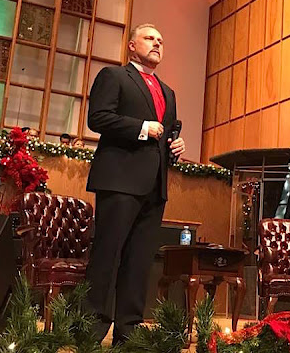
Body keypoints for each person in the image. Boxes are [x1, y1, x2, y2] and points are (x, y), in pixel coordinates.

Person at [85, 24, 185, 345]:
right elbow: (98, 118)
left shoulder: (168, 92)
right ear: (131, 45)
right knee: (108, 256)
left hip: (155, 186)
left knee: (139, 262)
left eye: (161, 40)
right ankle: (89, 331)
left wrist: (175, 147)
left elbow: (165, 135)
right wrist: (142, 127)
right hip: (119, 180)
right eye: (149, 38)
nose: (157, 43)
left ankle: (128, 333)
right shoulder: (114, 76)